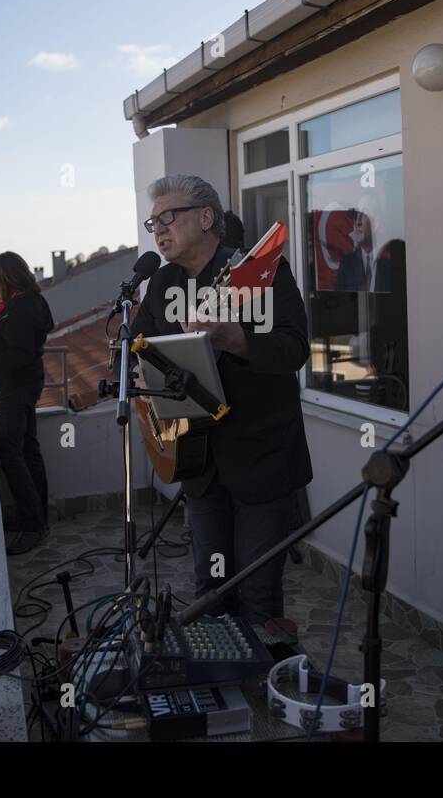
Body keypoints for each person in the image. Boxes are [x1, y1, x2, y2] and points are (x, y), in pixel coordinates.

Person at [125, 174, 313, 623]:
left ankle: (260, 685)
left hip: (262, 457)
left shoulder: (258, 272)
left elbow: (294, 348)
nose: (160, 230)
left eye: (168, 217)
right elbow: (140, 351)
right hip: (197, 461)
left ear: (206, 218)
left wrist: (237, 339)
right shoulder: (161, 283)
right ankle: (222, 685)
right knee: (210, 589)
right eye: (154, 224)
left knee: (257, 594)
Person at [0, 251, 54, 556]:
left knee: (10, 449)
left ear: (5, 277)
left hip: (17, 387)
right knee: (27, 449)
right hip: (23, 385)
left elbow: (20, 353)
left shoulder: (21, 307)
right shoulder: (25, 302)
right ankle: (36, 515)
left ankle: (33, 523)